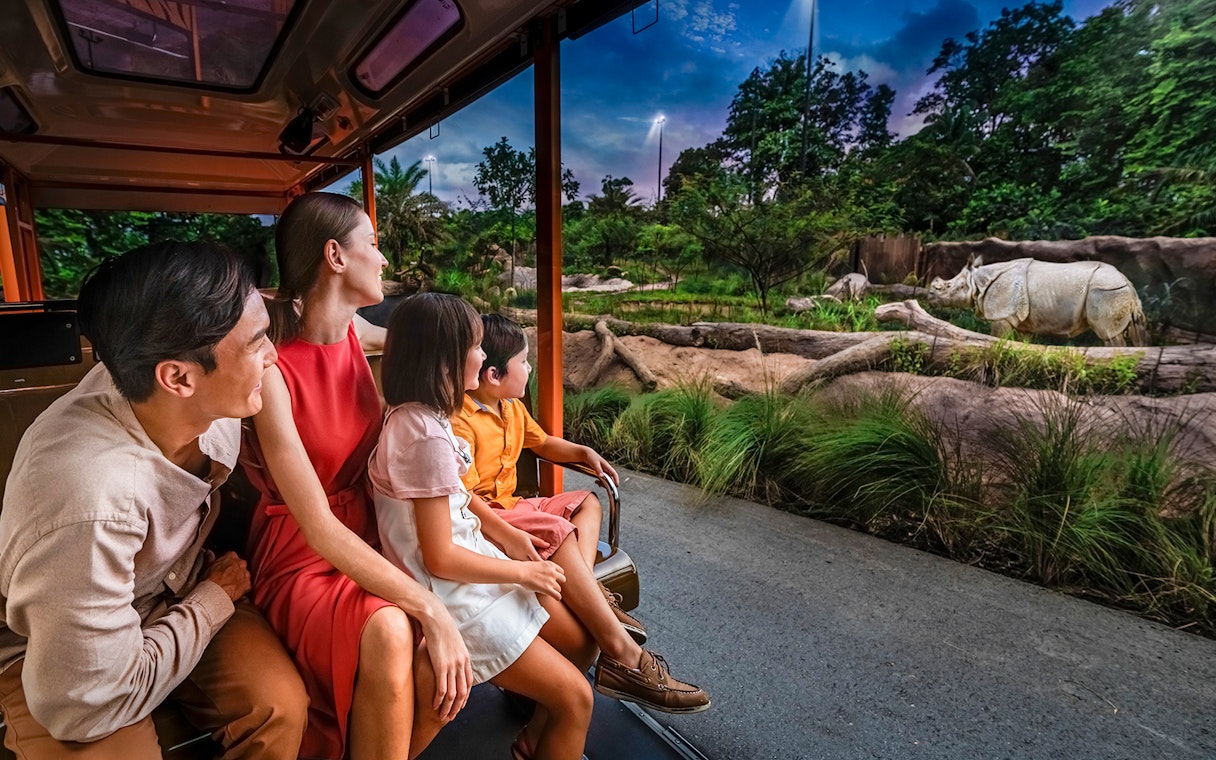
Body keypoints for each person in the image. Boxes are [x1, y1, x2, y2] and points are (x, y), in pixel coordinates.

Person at [0, 241, 308, 758]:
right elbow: (87, 703)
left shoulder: (169, 378)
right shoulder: (90, 501)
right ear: (179, 377)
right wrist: (211, 601)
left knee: (278, 708)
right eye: (258, 343)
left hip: (174, 587)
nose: (275, 357)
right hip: (61, 654)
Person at [369, 294, 710, 760]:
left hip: (472, 573)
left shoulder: (421, 419)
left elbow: (449, 499)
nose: (482, 357)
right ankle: (555, 730)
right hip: (457, 596)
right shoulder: (425, 434)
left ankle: (541, 739)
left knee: (580, 642)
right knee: (576, 699)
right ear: (445, 358)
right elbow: (439, 556)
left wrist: (510, 541)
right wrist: (523, 573)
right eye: (474, 348)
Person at [241, 192, 472, 760]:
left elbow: (433, 349)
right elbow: (315, 524)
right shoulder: (271, 372)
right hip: (302, 549)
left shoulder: (355, 333)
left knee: (462, 629)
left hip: (371, 530)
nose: (384, 258)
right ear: (335, 257)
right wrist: (428, 606)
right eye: (372, 243)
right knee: (399, 627)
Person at [451, 313, 644, 642]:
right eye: (524, 362)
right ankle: (594, 604)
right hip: (488, 517)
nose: (530, 369)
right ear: (494, 375)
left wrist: (583, 452)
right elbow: (463, 497)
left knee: (586, 503)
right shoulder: (460, 421)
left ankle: (585, 589)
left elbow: (542, 443)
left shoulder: (511, 407)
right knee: (559, 528)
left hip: (515, 506)